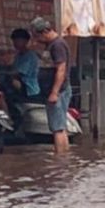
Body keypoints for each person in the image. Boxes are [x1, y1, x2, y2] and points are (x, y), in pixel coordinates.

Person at [30, 16, 72, 154]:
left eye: (37, 36)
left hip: (58, 92)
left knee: (57, 128)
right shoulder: (51, 45)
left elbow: (61, 69)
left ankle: (60, 160)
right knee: (60, 127)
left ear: (44, 32)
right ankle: (64, 158)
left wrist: (54, 92)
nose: (36, 40)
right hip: (55, 91)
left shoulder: (57, 45)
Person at [10, 28, 41, 100]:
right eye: (14, 41)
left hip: (29, 88)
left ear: (25, 41)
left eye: (17, 40)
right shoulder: (18, 56)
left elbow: (19, 72)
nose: (15, 43)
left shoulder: (30, 56)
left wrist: (5, 74)